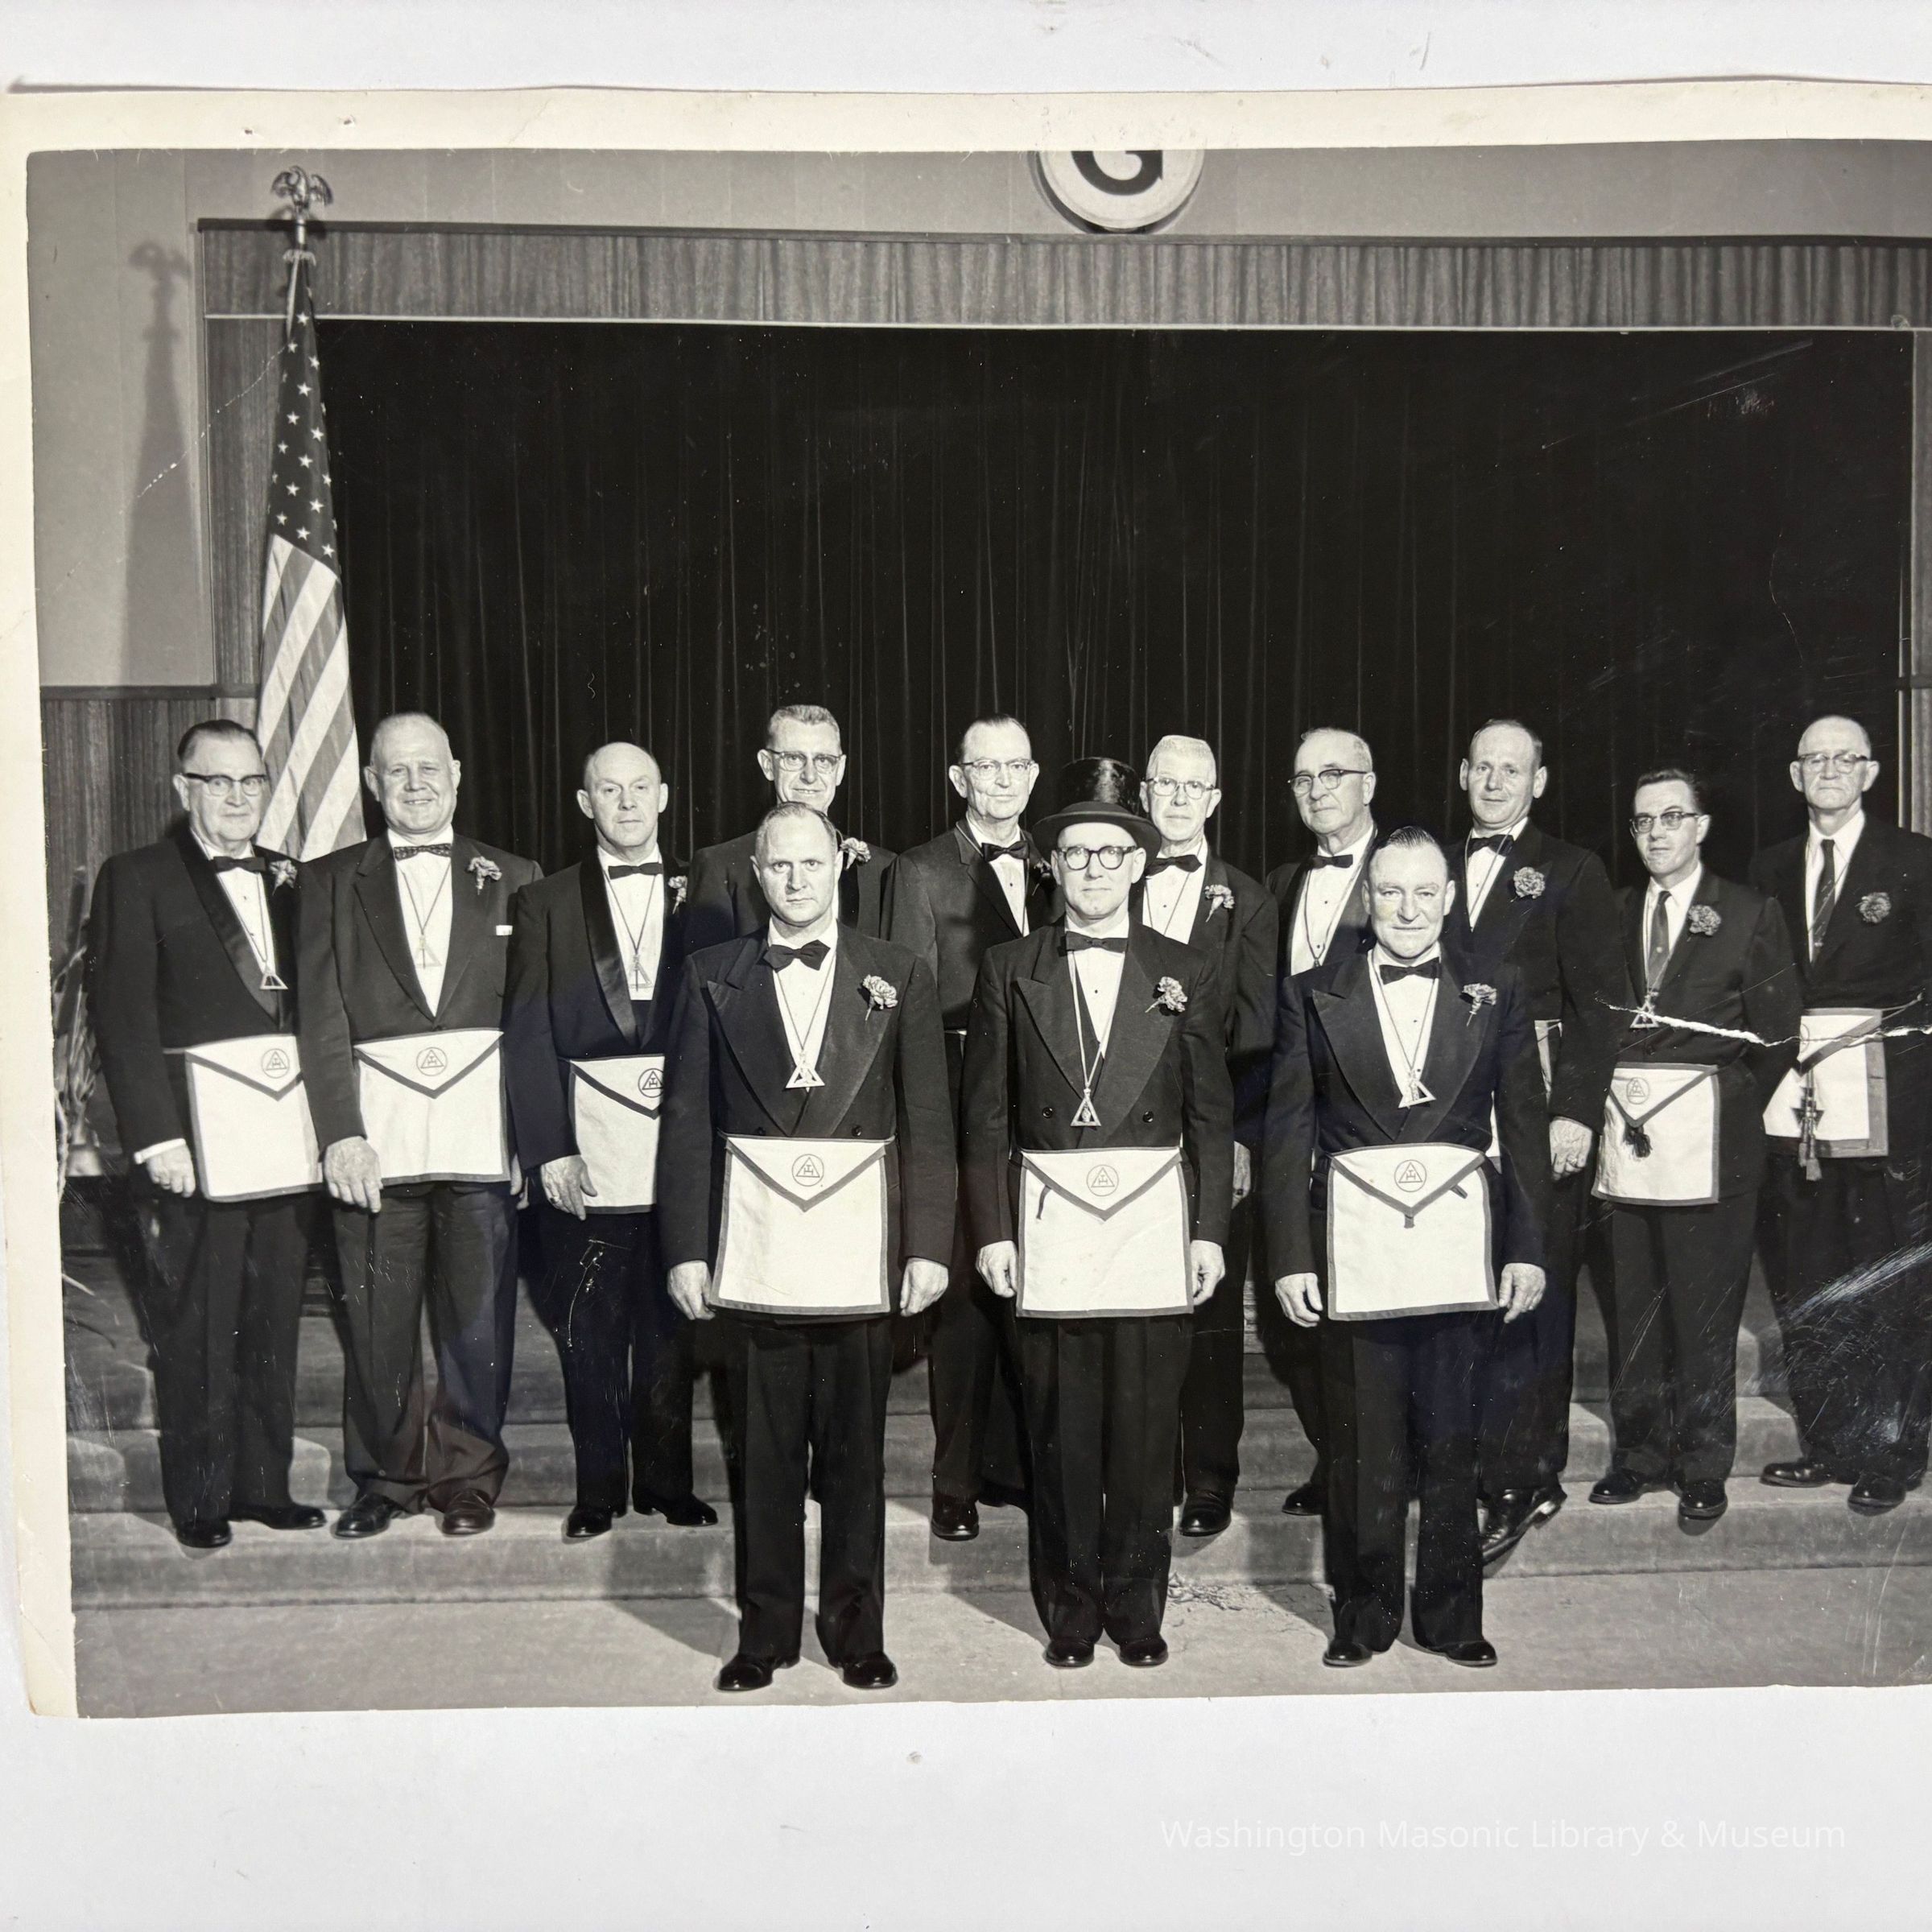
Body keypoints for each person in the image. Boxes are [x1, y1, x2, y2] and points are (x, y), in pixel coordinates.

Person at [658, 803, 954, 1693]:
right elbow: (686, 1122)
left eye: (812, 864)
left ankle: (857, 1634)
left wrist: (928, 1246)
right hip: (758, 1257)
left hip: (861, 1258)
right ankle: (765, 1634)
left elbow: (928, 1121)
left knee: (856, 1459)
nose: (796, 881)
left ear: (840, 869)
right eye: (779, 867)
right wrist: (686, 1248)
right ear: (757, 875)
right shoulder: (711, 974)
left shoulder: (898, 973)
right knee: (766, 1456)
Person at [961, 782, 1232, 1670]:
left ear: (1138, 864)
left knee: (1147, 1433)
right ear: (1052, 866)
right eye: (1076, 853)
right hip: (1050, 1231)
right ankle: (1070, 1610)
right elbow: (985, 1116)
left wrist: (1209, 1232)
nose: (1093, 869)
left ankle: (1138, 1608)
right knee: (1062, 1430)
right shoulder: (1009, 966)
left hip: (1152, 1230)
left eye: (1111, 853)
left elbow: (1211, 1115)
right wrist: (993, 1232)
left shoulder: (1186, 968)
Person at [1265, 827, 1550, 1670]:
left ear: (1450, 898)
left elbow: (1524, 1128)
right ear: (1368, 899)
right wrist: (1290, 1256)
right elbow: (1287, 1131)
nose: (1409, 909)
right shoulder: (1311, 993)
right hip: (1354, 1250)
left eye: (1426, 892)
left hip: (1459, 1250)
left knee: (1454, 1440)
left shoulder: (1498, 986)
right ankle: (1364, 1615)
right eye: (1391, 892)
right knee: (1363, 1443)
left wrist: (1526, 1248)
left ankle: (1454, 1617)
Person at [298, 712, 541, 1539]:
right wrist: (340, 1132)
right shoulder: (329, 882)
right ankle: (385, 1478)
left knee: (479, 1319)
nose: (414, 784)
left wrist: (528, 1136)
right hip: (377, 1144)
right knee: (378, 1318)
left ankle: (467, 1478)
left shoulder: (516, 876)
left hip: (481, 1143)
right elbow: (321, 1019)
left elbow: (532, 1020)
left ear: (457, 774)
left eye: (429, 767)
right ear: (371, 783)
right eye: (396, 770)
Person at [86, 719, 325, 1549]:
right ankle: (199, 1496)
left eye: (250, 781)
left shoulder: (294, 878)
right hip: (194, 1144)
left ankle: (264, 1486)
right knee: (198, 1320)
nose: (237, 797)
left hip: (287, 1137)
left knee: (273, 1315)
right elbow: (121, 1014)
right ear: (182, 789)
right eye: (217, 781)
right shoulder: (136, 877)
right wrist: (157, 1139)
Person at [503, 742, 716, 1542]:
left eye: (639, 788)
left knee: (672, 1326)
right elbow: (527, 1031)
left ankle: (667, 1483)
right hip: (585, 1153)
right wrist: (547, 1149)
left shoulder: (711, 890)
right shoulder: (545, 901)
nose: (626, 803)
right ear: (584, 802)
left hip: (681, 1150)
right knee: (588, 1328)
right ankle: (598, 1491)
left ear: (663, 795)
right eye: (608, 789)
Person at [1591, 769, 1800, 1525]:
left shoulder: (1748, 912)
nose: (1656, 834)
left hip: (1712, 1142)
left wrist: (1719, 1104)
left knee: (1704, 1311)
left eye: (1672, 817)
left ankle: (1704, 1464)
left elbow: (1777, 1035)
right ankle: (1638, 1456)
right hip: (1627, 1137)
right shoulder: (1613, 912)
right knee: (1633, 1305)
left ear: (1702, 827)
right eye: (1643, 821)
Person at [1444, 720, 1626, 1565]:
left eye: (1510, 770)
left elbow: (1601, 1004)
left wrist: (1576, 1113)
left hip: (1538, 1103)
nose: (1494, 782)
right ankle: (1476, 1461)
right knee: (1469, 1288)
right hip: (1453, 1110)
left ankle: (1526, 1477)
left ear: (1538, 783)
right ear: (1463, 774)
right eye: (1482, 767)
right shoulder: (1432, 865)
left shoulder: (1573, 869)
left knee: (1533, 1291)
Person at [1750, 716, 1932, 1514]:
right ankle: (1826, 1444)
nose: (1828, 770)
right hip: (1800, 1105)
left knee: (1887, 1277)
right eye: (1813, 759)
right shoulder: (1768, 866)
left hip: (1891, 1106)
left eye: (1844, 757)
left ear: (1871, 772)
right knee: (1808, 1275)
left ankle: (1894, 1452)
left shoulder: (1916, 860)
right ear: (1795, 776)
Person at [886, 714, 1051, 1542]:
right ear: (959, 779)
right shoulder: (919, 871)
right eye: (986, 768)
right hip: (958, 1107)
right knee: (961, 1304)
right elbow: (909, 1012)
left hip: (1048, 1112)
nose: (1003, 781)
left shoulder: (1063, 861)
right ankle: (954, 1482)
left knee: (1034, 1297)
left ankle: (1017, 1470)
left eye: (1016, 766)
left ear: (1033, 775)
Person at [1133, 733, 1278, 1538]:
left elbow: (1258, 1033)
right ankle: (1149, 1468)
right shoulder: (1107, 877)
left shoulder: (1247, 899)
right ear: (1144, 794)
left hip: (1215, 1136)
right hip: (1124, 1138)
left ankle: (1211, 1478)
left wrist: (1242, 1140)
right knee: (1140, 1312)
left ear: (1216, 800)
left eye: (1196, 788)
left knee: (1214, 1313)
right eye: (1167, 784)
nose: (1180, 799)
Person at [1261, 727, 1381, 1521]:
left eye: (1333, 774)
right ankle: (1337, 1460)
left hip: (1375, 1125)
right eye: (1303, 779)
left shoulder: (1408, 873)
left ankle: (1378, 1465)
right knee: (1296, 1307)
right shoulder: (1282, 882)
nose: (1317, 790)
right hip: (1295, 1118)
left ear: (1370, 783)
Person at [683, 704, 894, 952]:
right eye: (794, 759)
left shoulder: (883, 869)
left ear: (840, 769)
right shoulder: (719, 867)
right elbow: (707, 970)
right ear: (767, 765)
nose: (810, 776)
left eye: (823, 760)